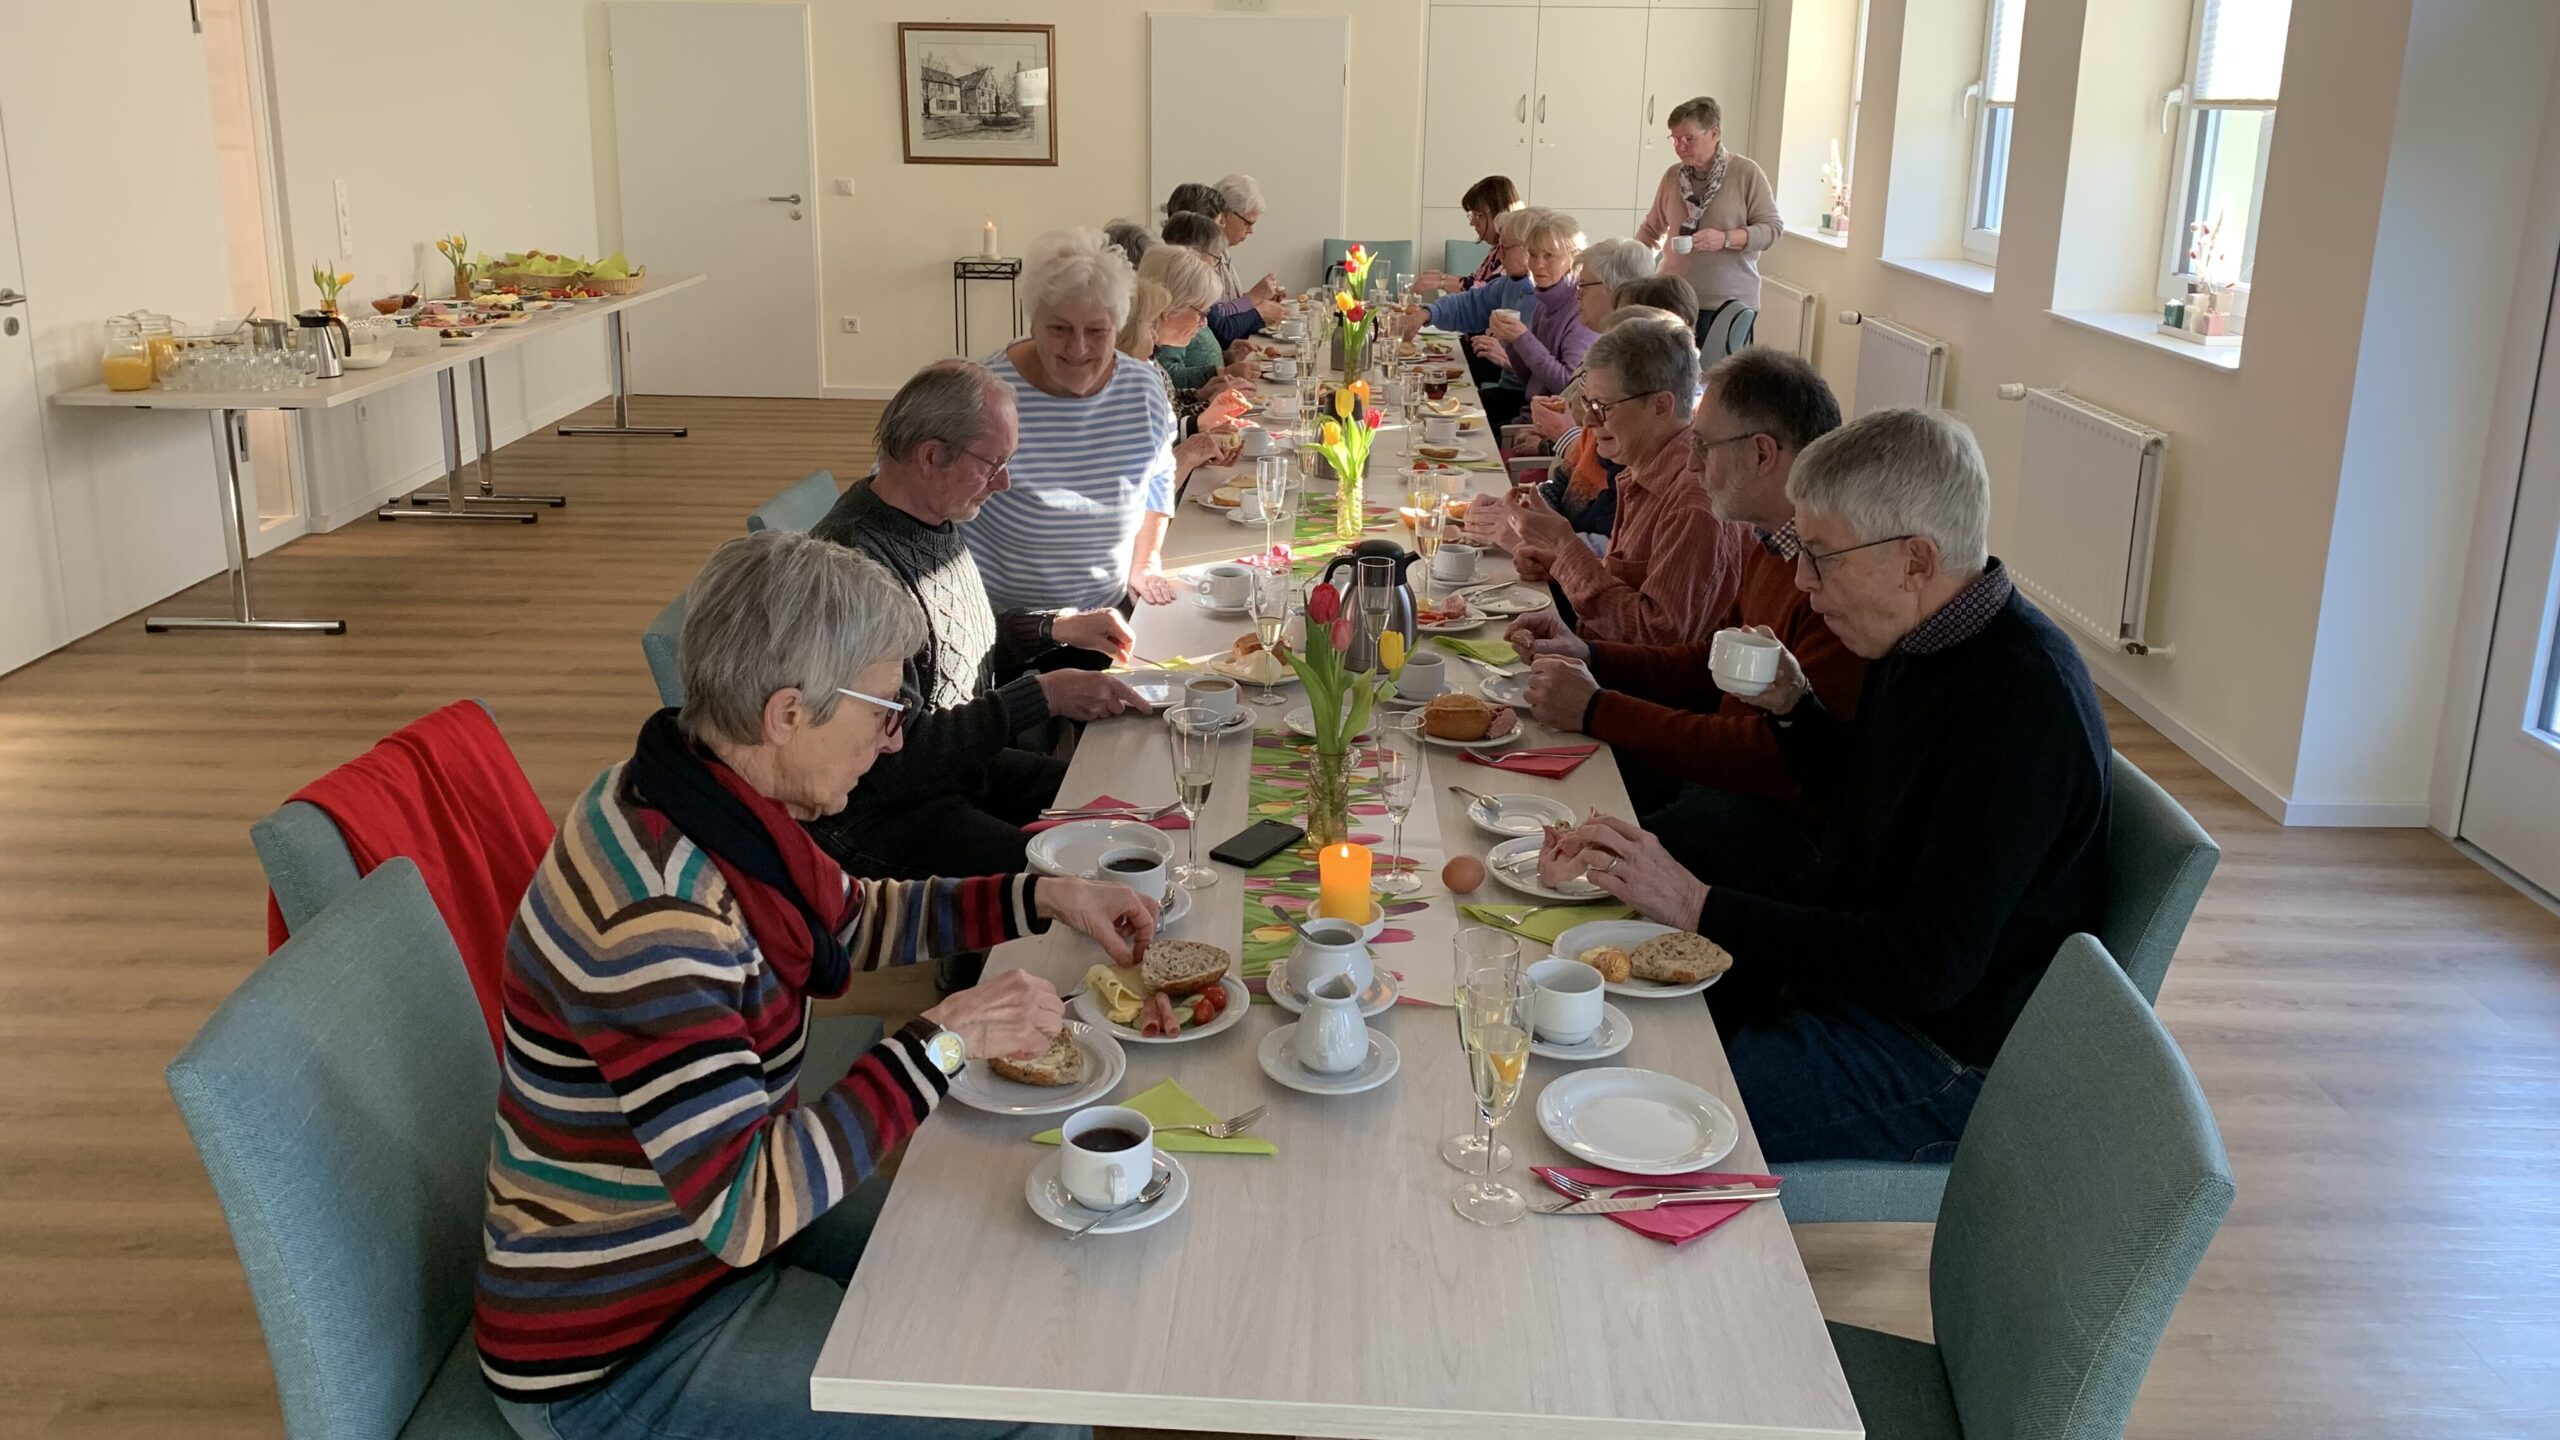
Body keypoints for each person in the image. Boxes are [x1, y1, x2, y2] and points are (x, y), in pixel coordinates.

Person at [474, 528, 1149, 1440]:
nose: (893, 739)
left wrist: (1042, 895)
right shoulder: (661, 918)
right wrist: (943, 1041)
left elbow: (849, 917)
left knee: (1021, 1265)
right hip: (623, 1341)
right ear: (788, 713)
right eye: (884, 710)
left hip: (709, 1232)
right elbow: (746, 1208)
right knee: (1026, 1400)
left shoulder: (700, 789)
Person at [1555, 407, 2112, 1164]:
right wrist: (1796, 711)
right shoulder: (1923, 634)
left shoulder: (2019, 708)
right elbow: (1868, 801)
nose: (1804, 584)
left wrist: (1697, 905)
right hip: (1859, 977)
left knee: (1645, 1112)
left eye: (1822, 558)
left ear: (1915, 560)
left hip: (1943, 1048)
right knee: (1602, 1016)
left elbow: (1928, 964)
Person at [805, 360, 1153, 880]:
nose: (1004, 482)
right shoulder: (854, 566)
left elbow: (946, 646)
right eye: (994, 464)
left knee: (1129, 805)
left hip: (957, 768)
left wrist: (1053, 629)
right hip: (881, 811)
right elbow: (896, 760)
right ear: (931, 456)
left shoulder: (927, 516)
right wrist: (1043, 696)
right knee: (1073, 878)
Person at [1511, 347, 1863, 841]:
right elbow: (1708, 664)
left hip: (1764, 820)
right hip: (1717, 781)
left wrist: (1596, 708)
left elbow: (1771, 759)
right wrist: (1590, 655)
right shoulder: (1773, 543)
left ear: (1763, 454)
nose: (1692, 464)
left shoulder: (1831, 580)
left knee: (1555, 837)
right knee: (1528, 774)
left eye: (1704, 445)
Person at [1494, 311, 1751, 646]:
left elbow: (1656, 636)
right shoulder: (1642, 465)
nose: (1588, 421)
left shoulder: (1694, 502)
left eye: (1602, 407)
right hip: (1595, 653)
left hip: (1624, 675)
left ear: (1660, 406)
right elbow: (1630, 586)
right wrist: (1561, 567)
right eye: (1587, 403)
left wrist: (1564, 545)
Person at [965, 228, 1182, 611]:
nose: (1078, 348)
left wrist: (1146, 561)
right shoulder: (981, 394)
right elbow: (905, 496)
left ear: (1118, 328)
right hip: (1006, 626)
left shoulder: (1143, 388)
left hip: (1111, 613)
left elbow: (1159, 476)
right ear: (1032, 323)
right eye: (1059, 328)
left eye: (1096, 331)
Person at [1635, 96, 1783, 310]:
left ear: (1714, 133)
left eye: (1689, 138)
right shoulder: (1673, 176)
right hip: (1672, 298)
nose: (1680, 147)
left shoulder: (1746, 173)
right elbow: (1651, 230)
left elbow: (1772, 230)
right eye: (1675, 139)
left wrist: (1725, 239)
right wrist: (1628, 266)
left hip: (1727, 303)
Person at [1115, 269, 1245, 489]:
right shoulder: (1126, 386)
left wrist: (1198, 443)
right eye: (1149, 325)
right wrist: (1191, 448)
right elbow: (1141, 492)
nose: (1155, 335)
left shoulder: (1138, 372)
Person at [1476, 208, 1596, 430]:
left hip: (1547, 429)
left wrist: (1522, 338)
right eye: (1532, 255)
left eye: (1549, 255)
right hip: (1530, 416)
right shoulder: (1545, 301)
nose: (1538, 264)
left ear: (1574, 258)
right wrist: (1510, 340)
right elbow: (1529, 379)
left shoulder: (1581, 309)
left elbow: (1567, 386)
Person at [1163, 207, 1282, 349]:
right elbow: (1221, 331)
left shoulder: (1193, 289)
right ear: (1192, 253)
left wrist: (1228, 356)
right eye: (1214, 258)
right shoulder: (1182, 297)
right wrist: (1256, 306)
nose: (1216, 267)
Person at [1412, 175, 1523, 295]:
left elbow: (1488, 292)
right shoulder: (1497, 247)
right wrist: (1443, 278)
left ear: (1498, 213)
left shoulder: (1515, 252)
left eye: (1477, 215)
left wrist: (1442, 281)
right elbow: (1477, 281)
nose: (1472, 223)